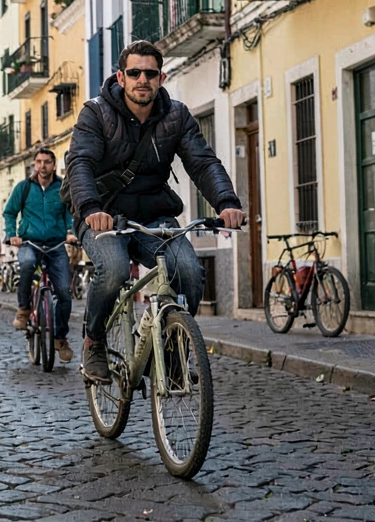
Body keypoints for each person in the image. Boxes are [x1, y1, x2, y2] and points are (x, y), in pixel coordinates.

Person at [66, 41, 246, 384]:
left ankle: (169, 345)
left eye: (150, 73)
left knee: (189, 271)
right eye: (134, 73)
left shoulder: (176, 115)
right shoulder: (96, 112)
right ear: (121, 77)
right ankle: (94, 341)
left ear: (161, 77)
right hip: (102, 214)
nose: (142, 79)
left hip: (152, 214)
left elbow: (203, 163)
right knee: (115, 268)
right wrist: (90, 208)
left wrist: (226, 202)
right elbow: (80, 163)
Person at [3, 148, 77, 362]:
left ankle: (60, 338)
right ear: (34, 165)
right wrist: (11, 235)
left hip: (56, 244)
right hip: (30, 242)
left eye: (46, 162)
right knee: (26, 264)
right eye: (38, 162)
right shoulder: (24, 188)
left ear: (54, 165)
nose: (42, 166)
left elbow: (70, 213)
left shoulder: (63, 188)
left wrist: (71, 233)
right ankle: (24, 310)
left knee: (64, 291)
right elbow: (9, 212)